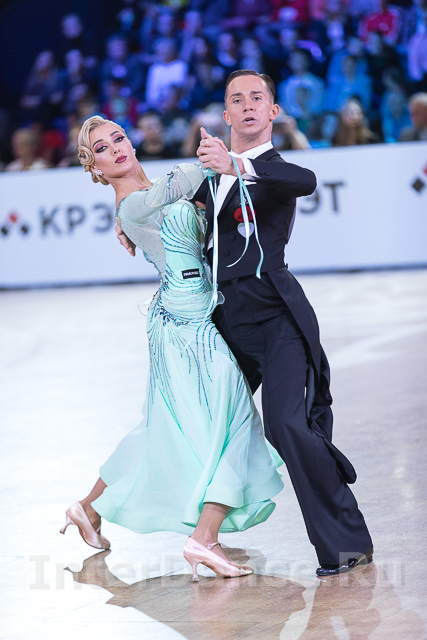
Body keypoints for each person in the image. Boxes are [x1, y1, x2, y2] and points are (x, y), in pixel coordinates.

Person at [117, 69, 373, 576]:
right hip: (222, 321)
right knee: (198, 418)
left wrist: (235, 163)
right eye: (238, 99)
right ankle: (180, 529)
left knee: (284, 424)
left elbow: (306, 181)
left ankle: (346, 544)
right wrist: (130, 226)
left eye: (258, 98)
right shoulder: (211, 177)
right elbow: (166, 217)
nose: (249, 105)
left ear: (273, 111)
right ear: (226, 114)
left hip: (275, 314)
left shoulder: (270, 169)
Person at [60, 115, 284, 581]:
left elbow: (195, 202)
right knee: (237, 421)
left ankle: (88, 508)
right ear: (95, 168)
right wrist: (223, 155)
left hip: (195, 315)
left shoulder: (148, 197)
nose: (115, 148)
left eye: (118, 138)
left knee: (165, 427)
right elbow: (188, 178)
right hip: (184, 327)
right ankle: (203, 538)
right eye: (101, 149)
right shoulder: (133, 205)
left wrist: (220, 167)